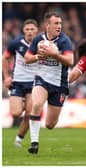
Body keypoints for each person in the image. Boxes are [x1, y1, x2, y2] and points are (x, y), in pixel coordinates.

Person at [24, 11, 73, 154]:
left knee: (50, 124)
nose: (59, 26)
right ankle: (34, 143)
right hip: (42, 79)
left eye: (60, 23)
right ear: (47, 25)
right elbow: (27, 58)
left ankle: (40, 131)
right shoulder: (38, 39)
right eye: (56, 23)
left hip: (59, 84)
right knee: (37, 104)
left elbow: (70, 61)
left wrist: (54, 54)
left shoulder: (65, 41)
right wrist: (39, 56)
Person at [2, 19, 39, 147]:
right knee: (15, 113)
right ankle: (23, 103)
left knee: (30, 114)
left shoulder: (42, 44)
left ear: (37, 31)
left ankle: (19, 138)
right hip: (18, 82)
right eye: (27, 29)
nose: (29, 32)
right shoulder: (17, 43)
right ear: (23, 31)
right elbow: (5, 58)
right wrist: (6, 77)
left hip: (34, 83)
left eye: (32, 29)